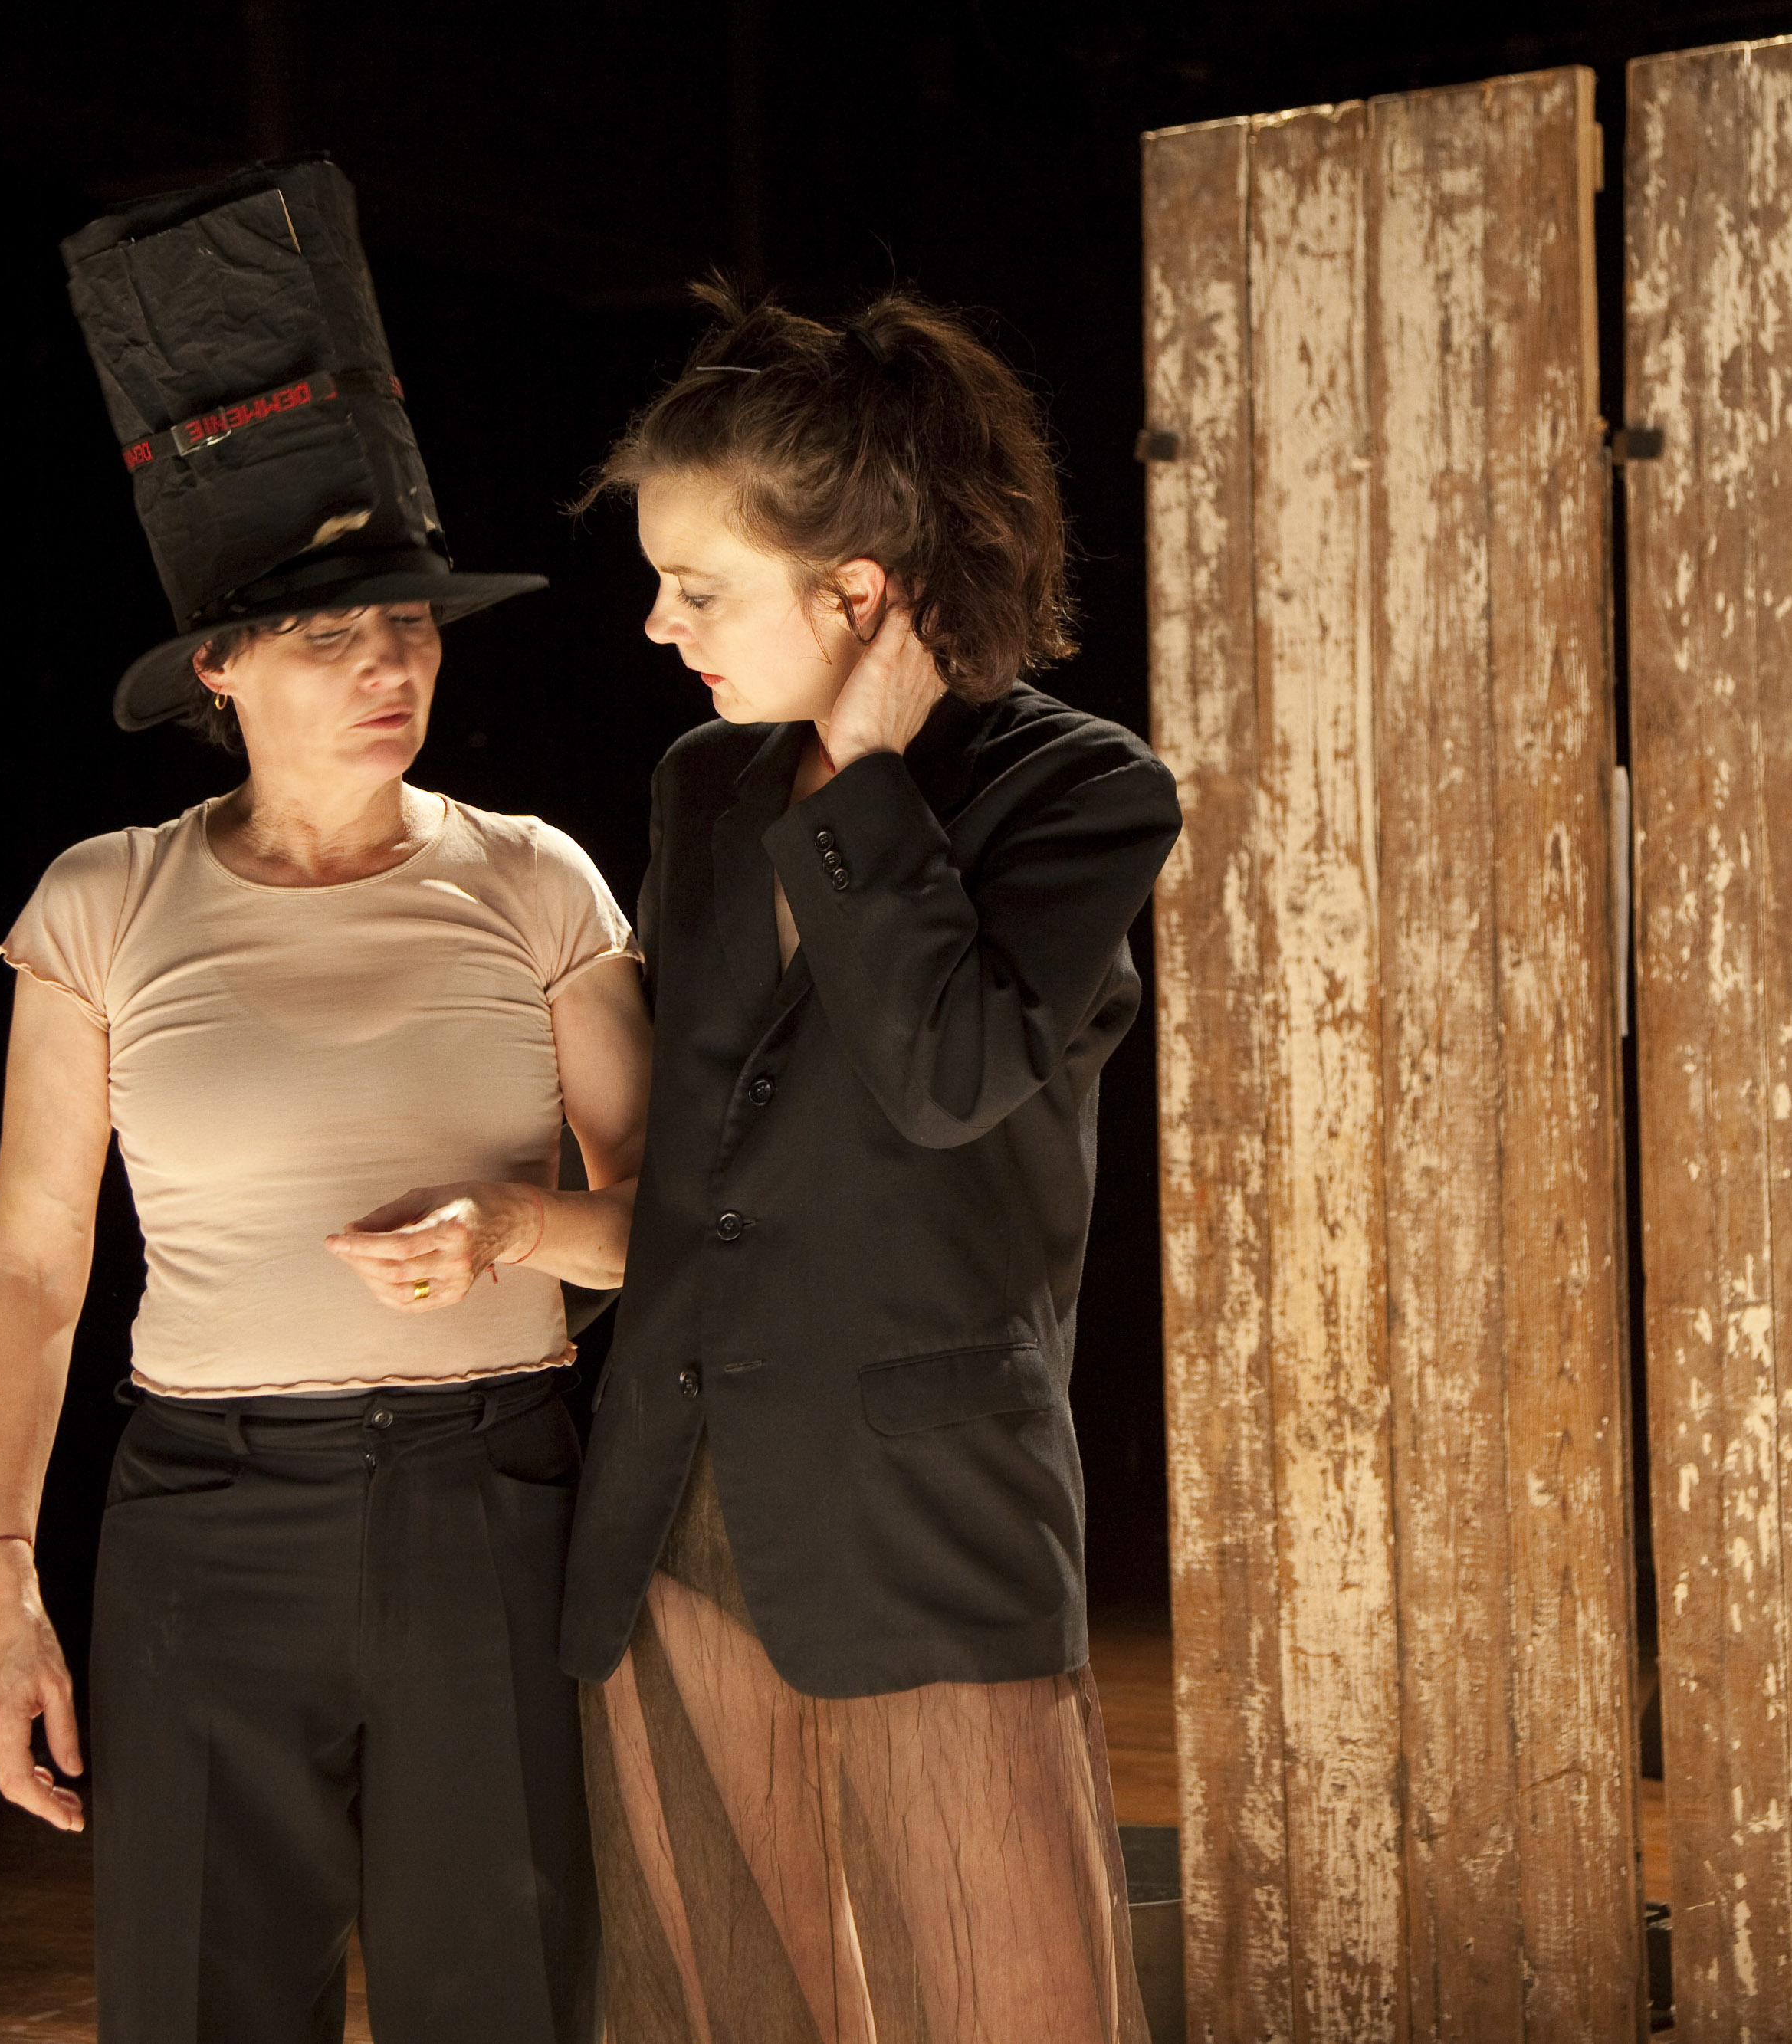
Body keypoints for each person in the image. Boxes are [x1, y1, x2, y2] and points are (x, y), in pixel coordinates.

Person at [0, 159, 636, 2044]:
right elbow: (31, 1260)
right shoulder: (103, 901)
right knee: (196, 1999)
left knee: (499, 2000)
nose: (389, 662)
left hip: (490, 1493)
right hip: (202, 1513)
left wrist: (514, 1228)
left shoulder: (535, 879)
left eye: (409, 620)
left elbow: (683, 1221)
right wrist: (3, 1579)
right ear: (220, 665)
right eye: (331, 633)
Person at [560, 284, 1180, 2042]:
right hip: (675, 1500)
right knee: (710, 2005)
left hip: (920, 1520)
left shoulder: (1082, 791)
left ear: (857, 592)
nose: (658, 622)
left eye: (699, 586)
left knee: (1007, 2001)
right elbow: (710, 1142)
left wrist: (860, 782)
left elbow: (944, 1074)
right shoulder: (700, 783)